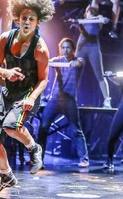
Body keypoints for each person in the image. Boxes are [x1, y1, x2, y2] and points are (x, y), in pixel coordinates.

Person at [0, 0, 55, 194]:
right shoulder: (5, 38)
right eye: (24, 18)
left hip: (27, 93)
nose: (27, 21)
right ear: (17, 18)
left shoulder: (40, 48)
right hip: (8, 93)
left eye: (32, 19)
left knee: (11, 127)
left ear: (38, 22)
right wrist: (6, 72)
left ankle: (34, 148)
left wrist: (31, 98)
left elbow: (43, 80)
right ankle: (7, 176)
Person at [37, 38, 89, 168]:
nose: (65, 50)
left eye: (68, 47)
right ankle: (38, 160)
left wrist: (73, 64)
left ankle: (84, 159)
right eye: (63, 47)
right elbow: (47, 62)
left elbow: (79, 63)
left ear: (73, 49)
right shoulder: (58, 60)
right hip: (54, 100)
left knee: (76, 130)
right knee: (43, 128)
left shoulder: (78, 60)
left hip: (70, 100)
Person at [74, 5, 111, 108]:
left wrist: (102, 19)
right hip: (81, 48)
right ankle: (70, 97)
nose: (90, 8)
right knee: (74, 73)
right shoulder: (82, 20)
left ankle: (107, 100)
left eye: (92, 8)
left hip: (93, 48)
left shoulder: (98, 18)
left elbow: (102, 20)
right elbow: (80, 28)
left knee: (100, 74)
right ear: (85, 12)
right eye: (88, 8)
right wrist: (76, 22)